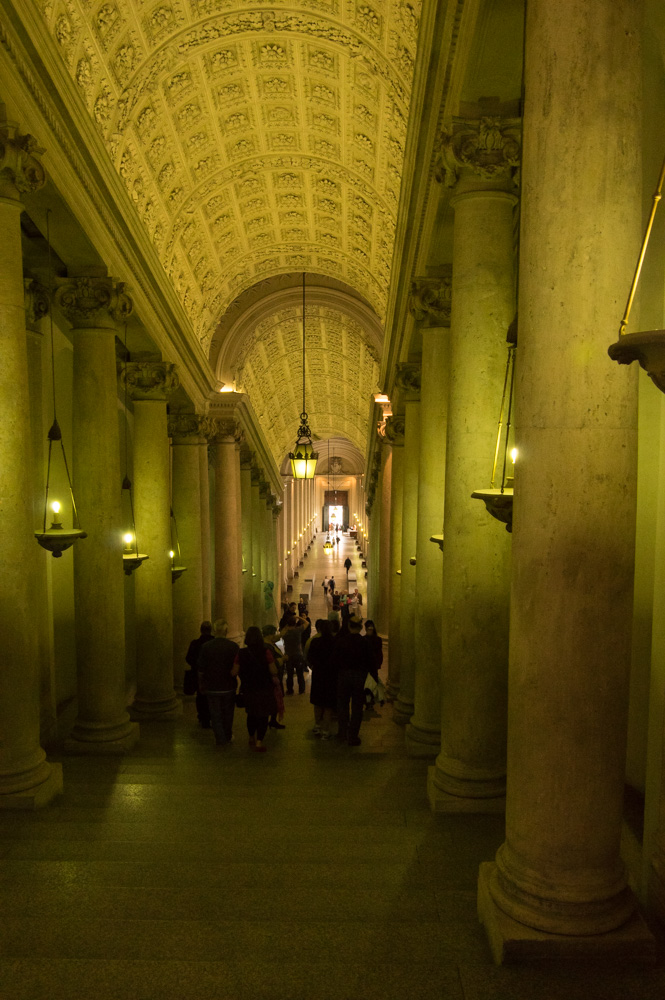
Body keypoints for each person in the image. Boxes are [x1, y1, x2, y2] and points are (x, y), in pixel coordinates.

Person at [235, 626, 280, 752]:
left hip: (248, 688)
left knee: (251, 714)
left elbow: (235, 671)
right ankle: (259, 742)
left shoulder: (241, 653)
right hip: (264, 688)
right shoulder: (266, 652)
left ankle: (251, 737)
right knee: (263, 715)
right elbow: (273, 670)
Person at [332, 615, 374, 746]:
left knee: (342, 706)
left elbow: (334, 660)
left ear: (349, 626)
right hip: (359, 677)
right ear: (361, 627)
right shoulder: (365, 642)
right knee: (357, 707)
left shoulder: (341, 641)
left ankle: (342, 733)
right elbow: (371, 661)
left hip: (344, 675)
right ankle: (353, 736)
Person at [197, 620, 240, 746]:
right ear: (226, 631)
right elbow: (237, 666)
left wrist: (201, 683)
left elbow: (201, 669)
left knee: (215, 714)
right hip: (228, 686)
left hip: (212, 686)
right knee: (228, 713)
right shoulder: (233, 646)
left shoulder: (206, 647)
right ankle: (227, 735)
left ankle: (220, 739)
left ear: (214, 631)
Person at [307, 619, 337, 739]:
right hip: (330, 675)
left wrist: (314, 666)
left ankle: (317, 726)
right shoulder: (334, 642)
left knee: (318, 702)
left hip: (318, 674)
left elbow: (310, 658)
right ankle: (326, 730)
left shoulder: (315, 642)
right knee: (328, 704)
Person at [185, 621, 214, 728]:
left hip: (198, 674)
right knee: (211, 696)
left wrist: (196, 666)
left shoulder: (195, 643)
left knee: (201, 697)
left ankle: (203, 717)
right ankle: (211, 716)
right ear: (211, 630)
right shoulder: (214, 642)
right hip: (212, 675)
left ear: (201, 630)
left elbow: (188, 658)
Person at [262, 624, 286, 730]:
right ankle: (270, 720)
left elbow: (278, 637)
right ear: (270, 634)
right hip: (272, 678)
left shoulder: (269, 643)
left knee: (275, 699)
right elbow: (272, 663)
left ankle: (273, 720)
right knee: (272, 700)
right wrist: (283, 659)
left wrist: (284, 631)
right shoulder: (267, 647)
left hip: (276, 677)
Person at [282, 615, 307, 694]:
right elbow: (307, 623)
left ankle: (290, 690)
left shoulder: (285, 633)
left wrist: (287, 625)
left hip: (288, 655)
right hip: (298, 654)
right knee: (300, 674)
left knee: (289, 674)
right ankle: (301, 689)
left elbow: (281, 632)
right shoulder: (298, 630)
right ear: (295, 623)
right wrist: (298, 617)